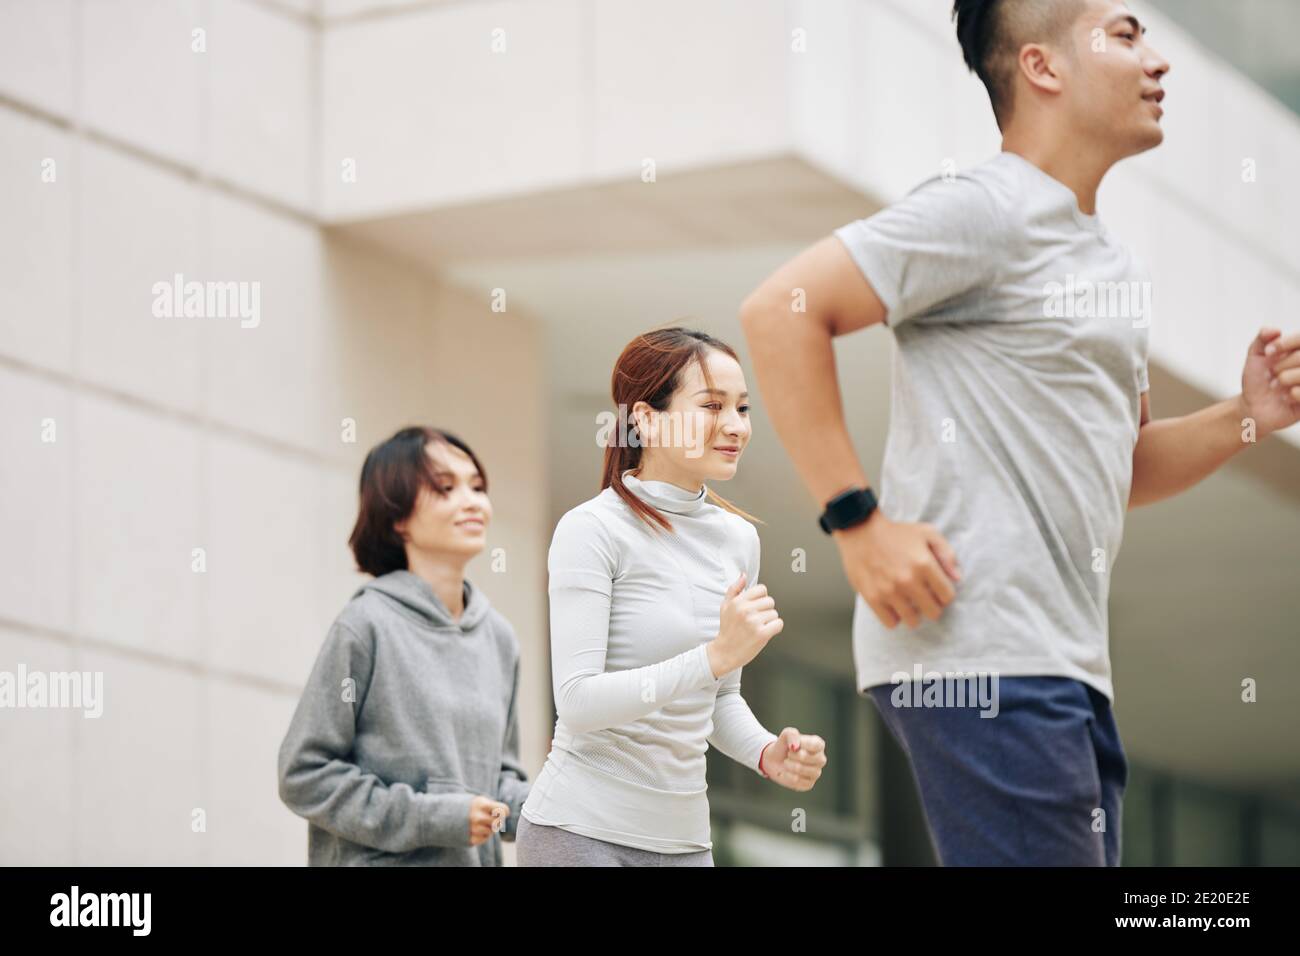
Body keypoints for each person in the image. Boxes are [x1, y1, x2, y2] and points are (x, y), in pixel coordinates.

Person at [739, 0, 1300, 865]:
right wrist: (856, 523)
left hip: (1063, 665)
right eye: (1125, 34)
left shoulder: (1111, 262)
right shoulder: (988, 209)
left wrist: (1245, 418)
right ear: (1042, 68)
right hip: (980, 654)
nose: (1159, 61)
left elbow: (1123, 467)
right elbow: (780, 312)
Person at [517, 327, 827, 866]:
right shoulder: (592, 529)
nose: (735, 426)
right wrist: (712, 657)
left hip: (685, 843)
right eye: (711, 406)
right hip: (578, 833)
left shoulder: (739, 540)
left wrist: (764, 751)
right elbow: (578, 700)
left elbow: (719, 697)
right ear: (645, 417)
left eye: (743, 408)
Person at [277, 426, 530, 865]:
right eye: (446, 488)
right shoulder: (366, 625)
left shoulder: (499, 638)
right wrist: (434, 818)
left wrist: (558, 807)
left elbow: (499, 780)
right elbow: (304, 774)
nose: (472, 501)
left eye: (477, 486)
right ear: (397, 517)